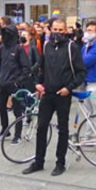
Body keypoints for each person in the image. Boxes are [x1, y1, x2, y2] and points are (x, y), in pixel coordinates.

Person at [22, 18, 87, 177]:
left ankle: (60, 163)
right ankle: (39, 161)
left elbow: (81, 72)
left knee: (62, 129)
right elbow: (42, 68)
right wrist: (38, 83)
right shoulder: (46, 46)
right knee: (41, 127)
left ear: (65, 31)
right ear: (50, 30)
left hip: (63, 94)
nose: (57, 32)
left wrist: (69, 88)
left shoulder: (72, 47)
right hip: (47, 93)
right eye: (55, 30)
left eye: (60, 30)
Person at [0, 24, 31, 142]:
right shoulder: (2, 48)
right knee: (1, 108)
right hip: (4, 83)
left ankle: (18, 135)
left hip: (14, 84)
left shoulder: (18, 49)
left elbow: (26, 68)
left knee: (17, 109)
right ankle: (5, 130)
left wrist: (18, 81)